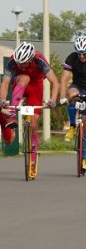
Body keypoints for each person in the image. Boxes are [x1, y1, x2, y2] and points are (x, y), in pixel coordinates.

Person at [0, 41, 59, 173]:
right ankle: (12, 116)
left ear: (31, 58)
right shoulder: (12, 61)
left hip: (36, 86)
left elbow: (55, 82)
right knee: (24, 77)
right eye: (19, 63)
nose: (21, 65)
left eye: (24, 63)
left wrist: (53, 100)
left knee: (33, 124)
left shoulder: (39, 59)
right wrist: (3, 101)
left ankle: (33, 156)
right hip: (20, 83)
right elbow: (4, 84)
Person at [59, 36, 86, 169]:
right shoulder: (71, 58)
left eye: (84, 53)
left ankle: (85, 157)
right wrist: (62, 97)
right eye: (79, 53)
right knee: (72, 97)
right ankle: (72, 126)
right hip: (77, 86)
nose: (82, 56)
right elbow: (64, 78)